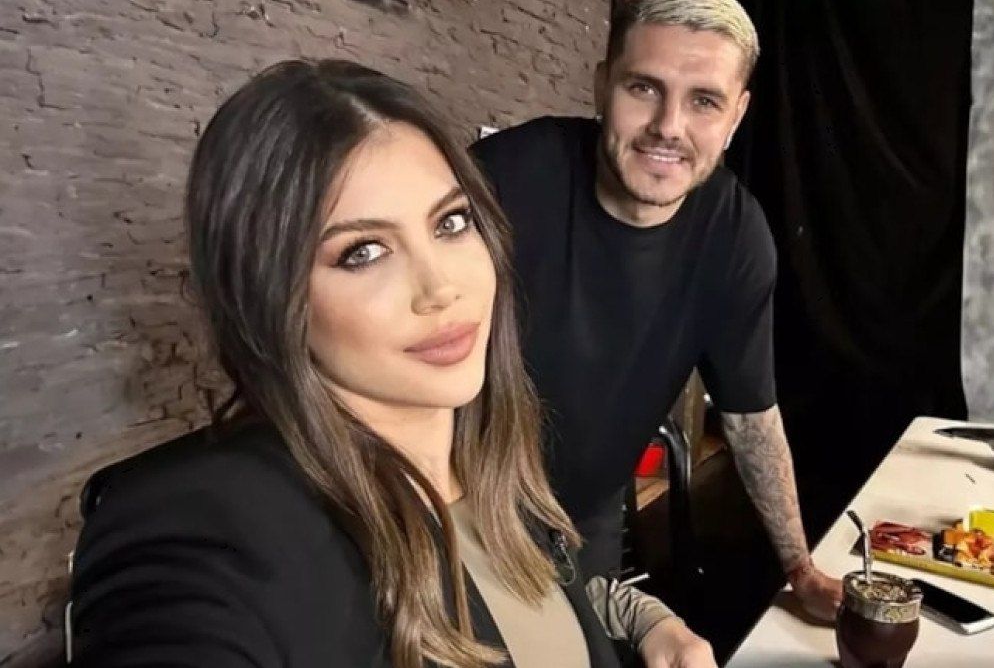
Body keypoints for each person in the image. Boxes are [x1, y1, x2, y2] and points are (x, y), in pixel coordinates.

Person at [67, 59, 716, 668]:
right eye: (364, 252)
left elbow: (530, 598)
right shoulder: (207, 532)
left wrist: (646, 620)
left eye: (451, 223)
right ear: (269, 298)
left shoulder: (485, 461)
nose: (440, 288)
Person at [471, 0, 842, 620]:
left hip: (580, 523)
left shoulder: (735, 236)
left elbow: (750, 416)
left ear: (737, 116)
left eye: (704, 101)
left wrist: (800, 570)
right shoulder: (505, 178)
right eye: (644, 88)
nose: (668, 126)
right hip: (449, 508)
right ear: (602, 86)